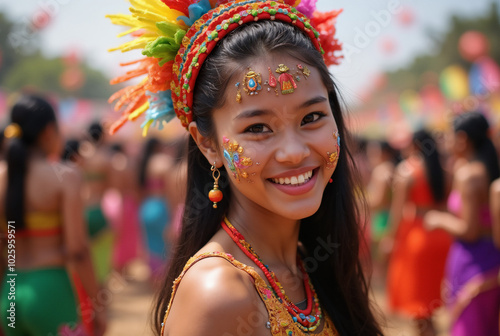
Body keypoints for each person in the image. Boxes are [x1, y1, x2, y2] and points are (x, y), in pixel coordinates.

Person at [107, 0, 383, 335]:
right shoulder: (218, 295)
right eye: (257, 128)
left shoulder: (312, 265)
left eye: (311, 118)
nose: (294, 153)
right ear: (209, 144)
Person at [0, 95, 105, 336]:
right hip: (50, 291)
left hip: (10, 291)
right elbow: (77, 250)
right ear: (49, 130)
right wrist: (98, 305)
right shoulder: (65, 177)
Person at [424, 112, 500, 336]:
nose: (446, 142)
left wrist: (438, 220)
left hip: (474, 262)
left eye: (449, 135)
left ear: (463, 139)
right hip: (490, 261)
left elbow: (470, 230)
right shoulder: (488, 170)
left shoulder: (468, 175)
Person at [383, 130, 451, 336]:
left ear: (415, 145)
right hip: (441, 235)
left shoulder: (407, 171)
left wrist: (389, 238)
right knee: (430, 304)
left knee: (419, 309)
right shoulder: (444, 169)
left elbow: (397, 212)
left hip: (417, 238)